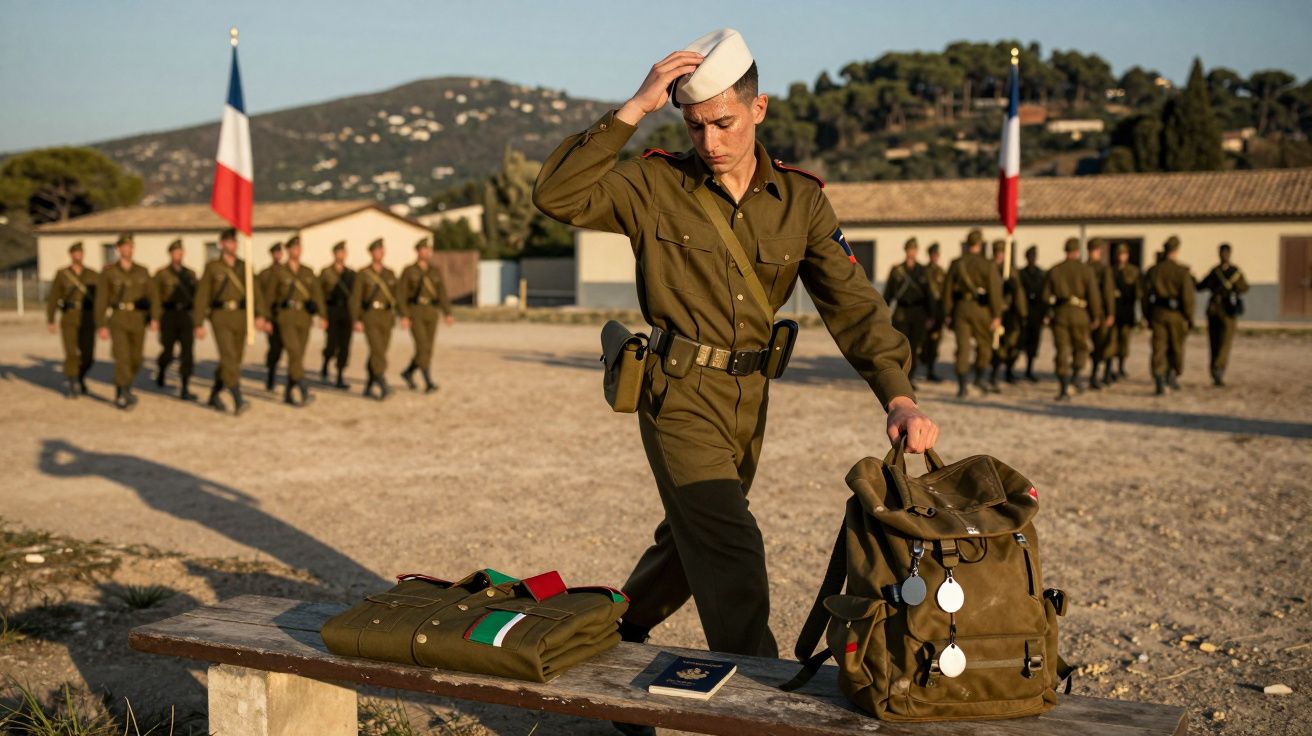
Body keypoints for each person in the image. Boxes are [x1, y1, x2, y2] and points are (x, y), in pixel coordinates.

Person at [532, 30, 937, 695]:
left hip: (750, 397)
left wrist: (898, 394)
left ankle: (609, 639)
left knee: (691, 545)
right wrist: (634, 107)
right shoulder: (655, 182)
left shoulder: (801, 201)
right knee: (732, 547)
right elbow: (557, 195)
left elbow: (854, 305)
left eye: (723, 121)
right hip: (676, 392)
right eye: (695, 126)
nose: (710, 141)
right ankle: (759, 706)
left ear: (760, 109)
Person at [194, 227, 265, 415]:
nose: (231, 245)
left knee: (234, 359)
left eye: (233, 242)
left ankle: (214, 394)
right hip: (220, 316)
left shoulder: (244, 266)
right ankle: (238, 398)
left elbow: (255, 292)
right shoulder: (212, 267)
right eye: (227, 242)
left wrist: (260, 315)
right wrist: (198, 323)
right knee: (228, 357)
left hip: (241, 316)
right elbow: (202, 296)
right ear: (221, 244)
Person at [94, 233, 161, 410]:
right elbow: (101, 300)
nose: (127, 250)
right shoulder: (109, 272)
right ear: (118, 249)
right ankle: (122, 393)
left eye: (130, 247)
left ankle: (125, 386)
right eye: (124, 247)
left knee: (136, 359)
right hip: (118, 318)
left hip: (138, 318)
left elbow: (153, 296)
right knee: (122, 357)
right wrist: (101, 324)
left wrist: (154, 317)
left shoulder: (142, 271)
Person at [262, 235, 327, 406]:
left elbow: (317, 295)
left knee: (297, 356)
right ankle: (303, 388)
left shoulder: (307, 271)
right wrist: (266, 318)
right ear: (288, 250)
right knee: (294, 351)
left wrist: (323, 315)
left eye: (299, 248)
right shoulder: (279, 272)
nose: (296, 251)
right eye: (293, 248)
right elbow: (269, 297)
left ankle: (288, 393)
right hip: (286, 317)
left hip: (304, 317)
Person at [942, 229, 1002, 397]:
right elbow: (995, 291)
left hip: (961, 308)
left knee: (963, 347)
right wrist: (997, 315)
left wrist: (947, 313)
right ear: (981, 244)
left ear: (967, 244)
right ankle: (979, 377)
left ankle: (962, 387)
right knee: (984, 344)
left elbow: (947, 291)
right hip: (981, 309)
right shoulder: (987, 264)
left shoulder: (956, 263)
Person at [1041, 237, 1103, 401]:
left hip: (1060, 314)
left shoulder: (1055, 270)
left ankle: (1063, 386)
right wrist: (1096, 315)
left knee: (1062, 349)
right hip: (1080, 314)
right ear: (1077, 251)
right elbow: (1093, 295)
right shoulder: (1085, 270)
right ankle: (1075, 376)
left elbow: (1045, 296)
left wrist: (1048, 313)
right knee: (1081, 347)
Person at [398, 237, 454, 393]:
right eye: (424, 249)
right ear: (417, 251)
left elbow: (441, 292)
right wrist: (404, 315)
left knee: (428, 349)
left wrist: (447, 312)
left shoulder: (434, 271)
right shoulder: (409, 271)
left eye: (428, 249)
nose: (427, 252)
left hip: (431, 311)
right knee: (422, 347)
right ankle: (428, 381)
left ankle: (408, 372)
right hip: (415, 311)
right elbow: (401, 295)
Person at [45, 241, 98, 398]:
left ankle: (80, 377)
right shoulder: (62, 274)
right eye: (75, 253)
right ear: (71, 255)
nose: (78, 256)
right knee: (71, 353)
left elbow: (101, 297)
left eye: (80, 253)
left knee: (88, 355)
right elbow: (53, 297)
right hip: (69, 317)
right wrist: (50, 319)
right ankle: (73, 382)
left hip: (88, 317)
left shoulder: (93, 274)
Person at [1143, 236, 1195, 395]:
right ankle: (1172, 374)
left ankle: (1159, 378)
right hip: (1176, 315)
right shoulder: (1182, 272)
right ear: (1175, 251)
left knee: (1158, 347)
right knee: (1176, 346)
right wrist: (1189, 316)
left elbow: (1145, 296)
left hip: (1158, 314)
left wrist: (1148, 316)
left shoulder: (1154, 271)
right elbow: (1188, 297)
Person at [350, 238, 399, 400]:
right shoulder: (363, 274)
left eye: (381, 250)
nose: (379, 253)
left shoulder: (390, 273)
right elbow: (356, 298)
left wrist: (402, 315)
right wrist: (356, 319)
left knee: (379, 351)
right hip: (370, 316)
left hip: (386, 316)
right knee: (378, 351)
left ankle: (369, 385)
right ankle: (381, 382)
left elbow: (396, 296)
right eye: (376, 250)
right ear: (371, 253)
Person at [153, 239, 198, 401]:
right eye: (175, 252)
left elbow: (197, 296)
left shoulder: (190, 274)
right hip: (169, 316)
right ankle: (162, 369)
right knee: (168, 352)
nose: (178, 255)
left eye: (180, 252)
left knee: (188, 354)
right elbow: (156, 297)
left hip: (186, 316)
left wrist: (198, 318)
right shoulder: (162, 274)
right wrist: (155, 318)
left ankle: (185, 387)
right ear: (170, 254)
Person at [1197, 243, 1248, 387]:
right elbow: (1201, 286)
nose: (1224, 255)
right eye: (1222, 253)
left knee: (1224, 342)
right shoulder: (1215, 272)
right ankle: (1216, 369)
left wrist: (1234, 290)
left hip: (1227, 311)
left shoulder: (1235, 272)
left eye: (1225, 253)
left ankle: (1218, 369)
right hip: (1216, 310)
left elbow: (1244, 287)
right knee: (1215, 342)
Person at [882, 237, 930, 386]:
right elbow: (888, 293)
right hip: (902, 312)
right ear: (906, 251)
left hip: (918, 312)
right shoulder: (897, 271)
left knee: (914, 347)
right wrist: (883, 313)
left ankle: (911, 376)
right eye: (910, 249)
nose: (912, 252)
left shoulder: (922, 270)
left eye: (914, 250)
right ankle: (901, 376)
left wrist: (931, 315)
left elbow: (929, 295)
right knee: (901, 346)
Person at [989, 239, 1028, 386]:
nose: (1000, 256)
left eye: (1003, 253)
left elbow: (1018, 293)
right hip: (994, 312)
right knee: (995, 344)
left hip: (1010, 314)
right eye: (998, 253)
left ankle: (1009, 370)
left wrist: (1022, 313)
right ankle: (993, 373)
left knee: (1012, 343)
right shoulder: (990, 268)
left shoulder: (1011, 270)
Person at [319, 241, 355, 389]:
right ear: (334, 254)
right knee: (331, 343)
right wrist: (322, 315)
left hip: (346, 311)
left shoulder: (351, 273)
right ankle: (326, 363)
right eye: (338, 252)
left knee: (345, 345)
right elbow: (319, 293)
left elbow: (355, 295)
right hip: (332, 310)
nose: (341, 255)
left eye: (343, 252)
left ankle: (340, 375)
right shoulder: (326, 272)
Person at [1085, 239, 1117, 389]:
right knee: (1101, 344)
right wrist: (1110, 312)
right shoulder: (1104, 270)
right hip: (1099, 312)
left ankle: (1100, 374)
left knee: (1096, 344)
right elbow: (1108, 293)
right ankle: (1096, 375)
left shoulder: (1084, 268)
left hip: (1085, 311)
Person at [1110, 244, 1141, 380]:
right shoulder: (1110, 270)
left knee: (1125, 340)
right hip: (1114, 310)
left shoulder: (1134, 271)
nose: (1121, 257)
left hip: (1127, 310)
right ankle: (1110, 367)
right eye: (1119, 254)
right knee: (1112, 340)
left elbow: (1139, 291)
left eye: (1124, 254)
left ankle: (1121, 366)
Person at [258, 242, 285, 390]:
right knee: (275, 347)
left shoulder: (288, 271)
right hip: (272, 315)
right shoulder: (265, 274)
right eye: (275, 253)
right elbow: (262, 298)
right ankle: (271, 375)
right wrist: (265, 318)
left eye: (279, 252)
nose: (278, 255)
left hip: (286, 315)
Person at [1018, 245, 1045, 382]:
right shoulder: (1020, 274)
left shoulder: (1041, 274)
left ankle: (1029, 369)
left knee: (1034, 344)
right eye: (1030, 256)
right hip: (1023, 312)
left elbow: (1045, 294)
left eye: (1034, 256)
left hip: (1036, 313)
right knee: (1019, 342)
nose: (1032, 259)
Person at [921, 242, 946, 382]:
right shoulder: (924, 271)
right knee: (924, 343)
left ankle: (931, 370)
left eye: (937, 254)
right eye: (933, 254)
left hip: (938, 311)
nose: (935, 257)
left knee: (935, 342)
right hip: (925, 311)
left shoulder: (941, 271)